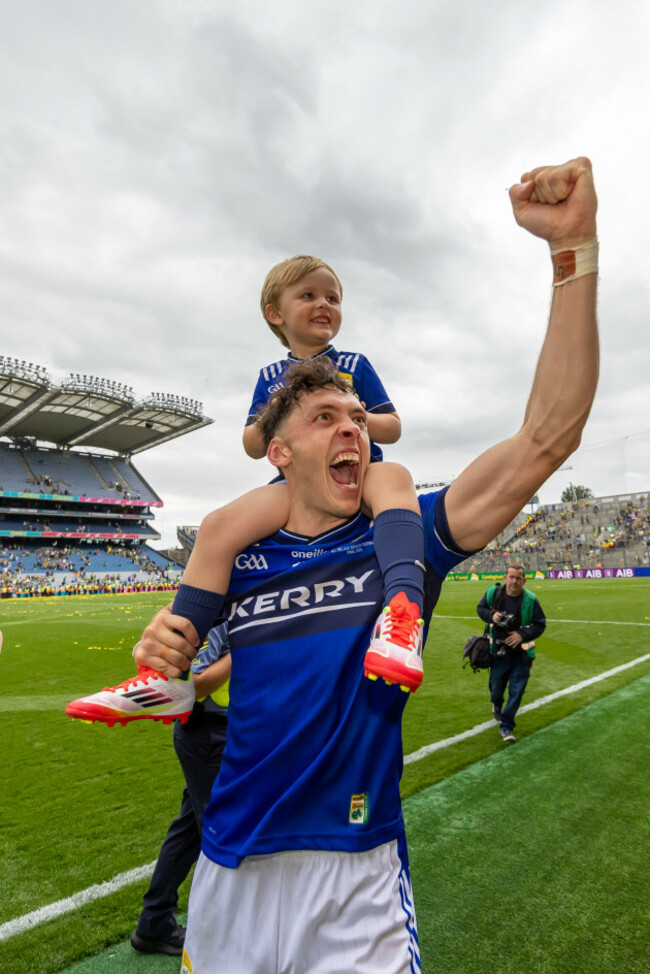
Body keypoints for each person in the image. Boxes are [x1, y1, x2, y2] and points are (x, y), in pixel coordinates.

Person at [127, 156, 599, 974]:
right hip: (229, 877)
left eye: (358, 415)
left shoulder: (407, 530)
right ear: (278, 450)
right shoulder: (240, 548)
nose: (354, 428)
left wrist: (573, 254)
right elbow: (178, 667)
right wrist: (165, 656)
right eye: (325, 417)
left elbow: (547, 436)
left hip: (357, 881)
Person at [65, 257, 433, 728]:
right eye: (309, 295)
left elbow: (393, 427)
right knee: (219, 525)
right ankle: (168, 673)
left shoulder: (354, 365)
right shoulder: (270, 376)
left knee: (395, 477)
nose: (324, 304)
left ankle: (401, 621)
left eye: (333, 298)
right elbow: (252, 444)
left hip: (362, 475)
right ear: (274, 313)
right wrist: (280, 419)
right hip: (296, 486)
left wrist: (356, 413)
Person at [130, 624, 231, 957]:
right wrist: (244, 652)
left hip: (223, 732)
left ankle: (154, 922)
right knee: (220, 836)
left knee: (189, 829)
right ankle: (229, 932)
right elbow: (194, 685)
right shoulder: (216, 616)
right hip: (206, 735)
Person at [476, 564, 546, 743]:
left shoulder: (530, 599)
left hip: (522, 654)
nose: (514, 581)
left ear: (524, 580)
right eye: (512, 577)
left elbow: (540, 623)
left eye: (518, 578)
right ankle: (496, 704)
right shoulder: (494, 592)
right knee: (496, 689)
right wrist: (491, 616)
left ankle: (506, 726)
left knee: (517, 690)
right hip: (498, 652)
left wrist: (521, 634)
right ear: (505, 577)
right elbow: (481, 608)